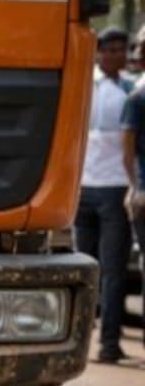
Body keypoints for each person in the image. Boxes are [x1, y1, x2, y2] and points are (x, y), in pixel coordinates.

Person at [79, 26, 133, 364]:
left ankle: (109, 343)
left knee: (113, 270)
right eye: (108, 50)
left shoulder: (130, 90)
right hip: (84, 188)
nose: (114, 55)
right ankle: (80, 339)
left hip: (115, 188)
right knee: (85, 268)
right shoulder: (88, 86)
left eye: (119, 50)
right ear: (98, 53)